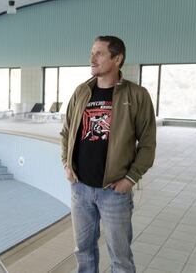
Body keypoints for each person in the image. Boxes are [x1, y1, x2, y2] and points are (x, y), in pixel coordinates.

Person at [60, 36, 156, 273]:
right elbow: (66, 132)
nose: (92, 58)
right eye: (92, 52)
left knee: (120, 257)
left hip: (113, 191)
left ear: (117, 59)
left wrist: (130, 179)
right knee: (83, 252)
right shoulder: (82, 91)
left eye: (99, 53)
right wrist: (66, 164)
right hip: (80, 188)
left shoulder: (136, 95)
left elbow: (147, 144)